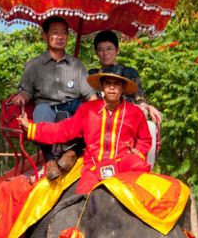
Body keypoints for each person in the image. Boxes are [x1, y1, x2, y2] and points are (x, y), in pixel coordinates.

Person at [17, 68, 151, 192]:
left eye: (116, 84)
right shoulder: (88, 109)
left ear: (123, 88)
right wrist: (31, 127)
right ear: (102, 87)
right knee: (82, 193)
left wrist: (138, 153)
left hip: (124, 162)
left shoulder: (135, 113)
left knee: (141, 170)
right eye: (108, 83)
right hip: (94, 166)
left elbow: (145, 139)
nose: (111, 87)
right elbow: (62, 130)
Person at [13, 16, 99, 180]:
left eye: (64, 33)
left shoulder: (77, 65)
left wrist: (99, 110)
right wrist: (22, 96)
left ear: (67, 36)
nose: (60, 37)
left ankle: (74, 151)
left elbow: (90, 95)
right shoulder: (34, 65)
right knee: (41, 110)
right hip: (48, 108)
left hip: (72, 109)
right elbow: (26, 91)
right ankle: (50, 159)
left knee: (88, 111)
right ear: (45, 36)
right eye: (55, 33)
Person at [91, 30, 162, 165]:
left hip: (126, 119)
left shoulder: (129, 73)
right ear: (96, 53)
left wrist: (148, 106)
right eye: (100, 50)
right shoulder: (93, 75)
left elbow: (139, 100)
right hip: (102, 120)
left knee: (151, 127)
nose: (105, 53)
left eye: (109, 49)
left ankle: (147, 167)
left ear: (117, 50)